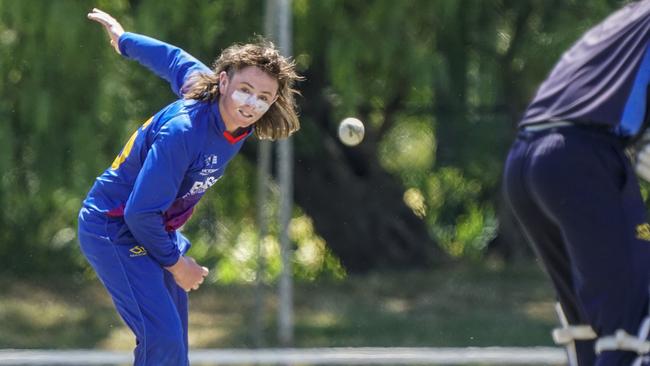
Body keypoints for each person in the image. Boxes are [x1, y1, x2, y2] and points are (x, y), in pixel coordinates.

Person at [78, 8, 301, 366]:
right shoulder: (183, 131)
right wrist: (177, 264)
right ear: (224, 81)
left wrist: (125, 42)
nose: (252, 103)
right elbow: (139, 212)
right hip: (114, 227)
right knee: (161, 339)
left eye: (264, 96)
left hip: (151, 228)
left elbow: (173, 59)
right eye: (245, 89)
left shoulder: (210, 91)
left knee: (173, 349)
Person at [503, 1, 650, 365]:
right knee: (633, 327)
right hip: (581, 160)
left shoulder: (629, 17)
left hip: (525, 162)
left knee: (588, 329)